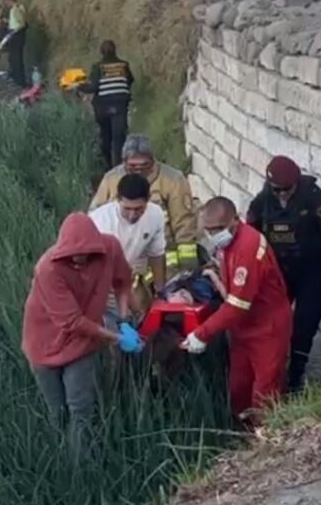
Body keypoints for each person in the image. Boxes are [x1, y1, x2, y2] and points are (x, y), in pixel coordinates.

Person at [20, 212, 141, 461]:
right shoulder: (48, 269)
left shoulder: (109, 248)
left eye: (86, 254)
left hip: (84, 343)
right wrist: (117, 338)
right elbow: (72, 322)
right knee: (58, 412)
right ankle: (62, 461)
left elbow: (123, 283)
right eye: (73, 255)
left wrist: (124, 320)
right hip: (44, 344)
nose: (79, 259)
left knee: (81, 409)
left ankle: (82, 464)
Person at [180, 197, 292, 426]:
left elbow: (238, 304)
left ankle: (266, 441)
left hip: (266, 329)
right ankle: (244, 437)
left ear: (234, 220)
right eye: (209, 230)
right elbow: (233, 294)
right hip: (243, 328)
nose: (214, 235)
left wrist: (202, 333)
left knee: (265, 392)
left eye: (219, 229)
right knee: (239, 388)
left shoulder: (247, 247)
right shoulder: (227, 245)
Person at [246, 156, 321, 393]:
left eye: (287, 189)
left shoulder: (313, 197)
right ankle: (273, 375)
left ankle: (296, 376)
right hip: (280, 270)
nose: (282, 194)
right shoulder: (263, 201)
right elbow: (249, 237)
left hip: (311, 269)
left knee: (305, 323)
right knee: (274, 324)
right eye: (277, 190)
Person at [93, 134, 201, 272]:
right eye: (132, 165)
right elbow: (96, 216)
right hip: (123, 256)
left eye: (144, 165)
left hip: (163, 257)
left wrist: (188, 266)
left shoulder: (173, 180)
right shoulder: (111, 179)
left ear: (153, 160)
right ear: (124, 162)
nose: (138, 170)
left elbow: (184, 223)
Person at [88, 173, 168, 319]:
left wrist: (161, 292)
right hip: (98, 283)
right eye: (127, 209)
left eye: (138, 209)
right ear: (118, 199)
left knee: (142, 317)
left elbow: (157, 254)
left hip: (127, 278)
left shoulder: (156, 216)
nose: (132, 215)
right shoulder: (100, 222)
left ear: (148, 201)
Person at [82, 40, 134, 170]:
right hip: (120, 104)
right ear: (115, 50)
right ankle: (120, 167)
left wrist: (79, 86)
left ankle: (107, 166)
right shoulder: (123, 65)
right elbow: (130, 80)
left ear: (101, 53)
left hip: (103, 106)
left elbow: (93, 87)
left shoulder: (97, 67)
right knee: (119, 138)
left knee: (105, 136)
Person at [0, 0, 28, 87]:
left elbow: (21, 24)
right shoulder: (19, 8)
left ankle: (20, 81)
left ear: (10, 0)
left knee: (16, 59)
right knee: (14, 58)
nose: (5, 4)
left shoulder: (15, 9)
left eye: (6, 1)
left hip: (16, 36)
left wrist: (12, 33)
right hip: (17, 35)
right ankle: (17, 79)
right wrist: (7, 22)